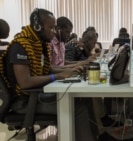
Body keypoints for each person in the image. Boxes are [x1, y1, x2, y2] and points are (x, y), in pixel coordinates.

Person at [0, 8, 98, 141]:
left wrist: (68, 71)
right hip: (24, 102)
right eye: (51, 28)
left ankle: (95, 136)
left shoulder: (38, 44)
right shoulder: (21, 45)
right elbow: (25, 82)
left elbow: (47, 69)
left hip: (35, 96)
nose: (53, 31)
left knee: (83, 99)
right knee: (77, 107)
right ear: (37, 26)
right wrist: (57, 76)